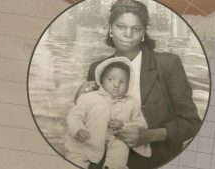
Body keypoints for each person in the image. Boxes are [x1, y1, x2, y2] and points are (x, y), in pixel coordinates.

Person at [75, 0, 202, 168]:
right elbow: (88, 120)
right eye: (121, 27)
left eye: (136, 29)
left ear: (143, 33)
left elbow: (192, 123)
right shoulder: (98, 69)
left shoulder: (167, 64)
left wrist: (149, 135)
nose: (128, 34)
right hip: (104, 156)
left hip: (154, 157)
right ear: (111, 29)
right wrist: (78, 98)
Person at [66, 57, 151, 169]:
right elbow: (75, 116)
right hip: (88, 140)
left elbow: (140, 124)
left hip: (114, 139)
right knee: (76, 158)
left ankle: (113, 166)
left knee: (121, 147)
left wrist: (124, 125)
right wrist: (78, 129)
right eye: (111, 79)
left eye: (122, 81)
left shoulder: (132, 103)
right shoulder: (88, 98)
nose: (116, 85)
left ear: (129, 84)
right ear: (101, 80)